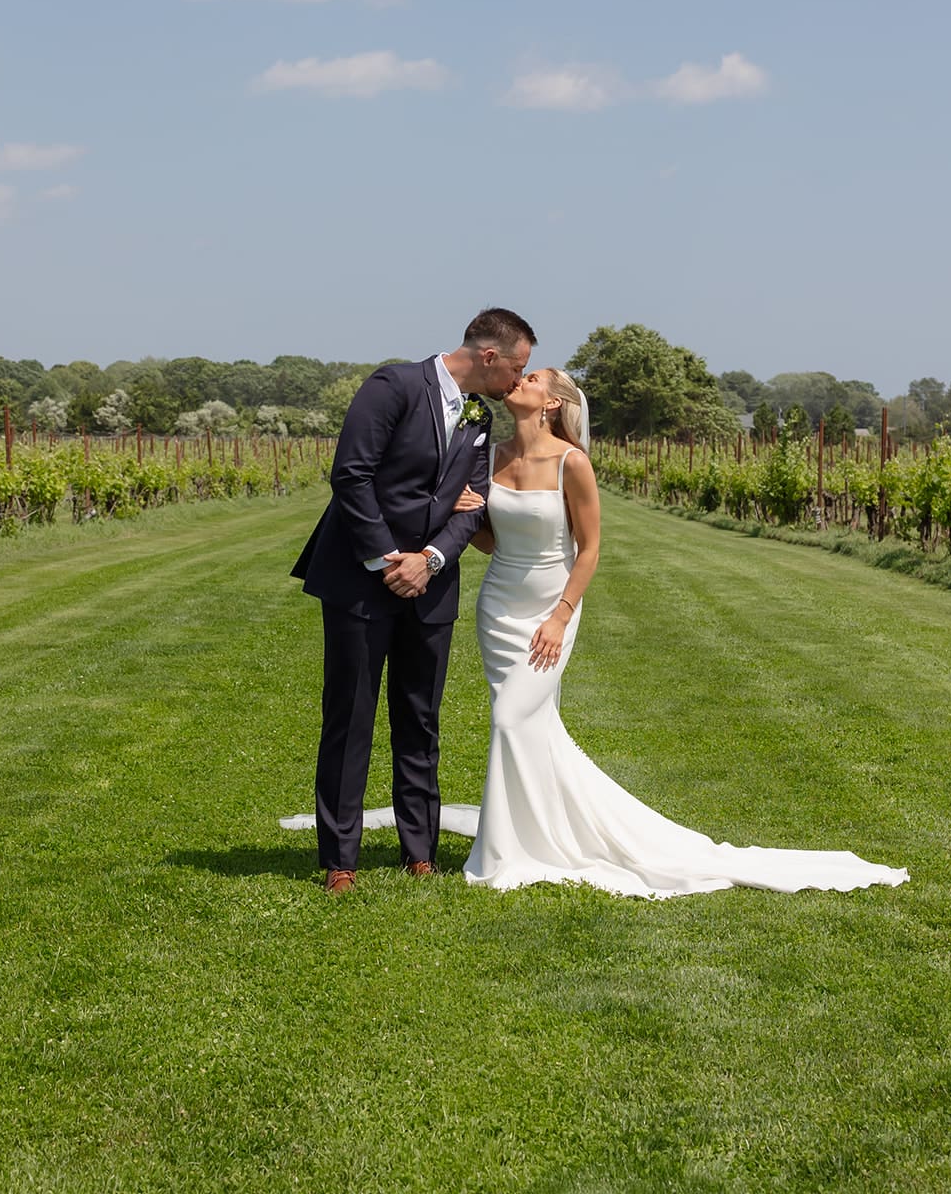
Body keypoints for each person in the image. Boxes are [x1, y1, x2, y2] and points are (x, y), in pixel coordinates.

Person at [289, 366, 908, 901]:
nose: (518, 382)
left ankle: (507, 850)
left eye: (531, 378)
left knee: (509, 720)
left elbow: (589, 549)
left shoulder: (573, 462)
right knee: (528, 726)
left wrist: (560, 616)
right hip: (500, 603)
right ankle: (533, 828)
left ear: (554, 401)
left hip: (548, 607)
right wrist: (456, 522)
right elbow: (490, 535)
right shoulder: (489, 452)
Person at [287, 307, 536, 894]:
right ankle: (340, 859)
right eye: (517, 369)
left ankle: (418, 850)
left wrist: (429, 561)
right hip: (360, 578)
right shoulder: (393, 385)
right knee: (350, 718)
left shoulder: (479, 416)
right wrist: (387, 559)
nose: (519, 383)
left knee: (420, 719)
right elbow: (351, 475)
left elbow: (470, 503)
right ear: (489, 356)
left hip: (432, 584)